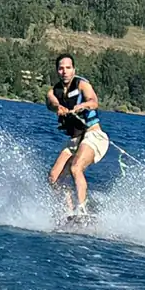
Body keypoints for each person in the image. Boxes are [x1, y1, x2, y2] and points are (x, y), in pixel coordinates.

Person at [45, 53, 110, 217]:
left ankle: (82, 210)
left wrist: (82, 106)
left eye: (68, 68)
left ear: (73, 70)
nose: (64, 71)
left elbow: (94, 101)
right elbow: (51, 102)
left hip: (94, 135)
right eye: (61, 68)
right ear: (57, 71)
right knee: (53, 177)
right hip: (75, 140)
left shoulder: (82, 85)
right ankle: (68, 211)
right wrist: (58, 107)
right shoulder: (53, 92)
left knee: (76, 167)